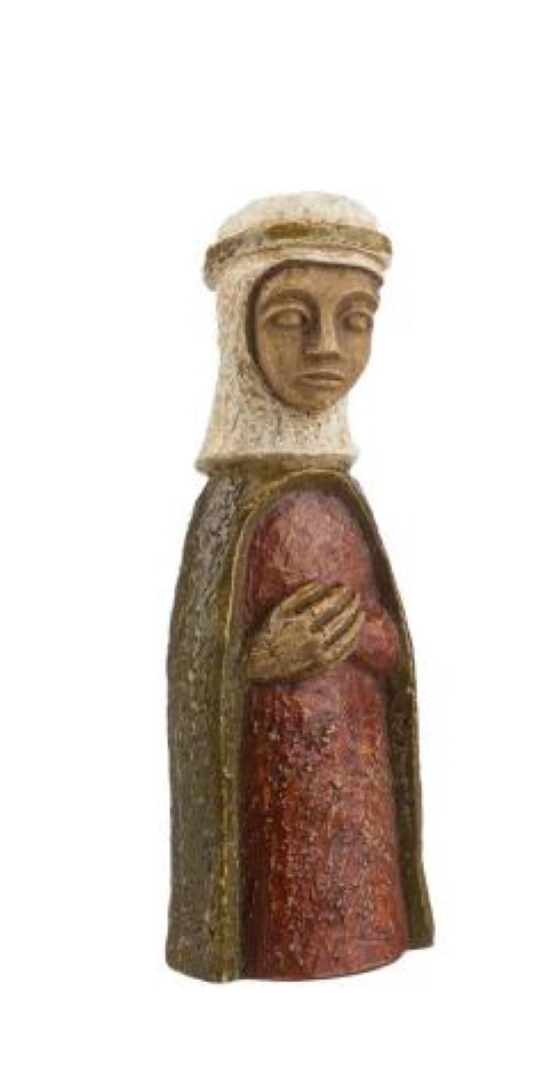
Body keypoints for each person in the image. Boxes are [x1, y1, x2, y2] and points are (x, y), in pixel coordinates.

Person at [166, 193, 434, 981]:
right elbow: (197, 675)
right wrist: (258, 660)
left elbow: (391, 645)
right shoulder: (231, 507)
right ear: (239, 327)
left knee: (354, 905)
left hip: (357, 790)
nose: (327, 347)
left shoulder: (340, 498)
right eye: (291, 318)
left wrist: (362, 637)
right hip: (271, 798)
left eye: (355, 319)